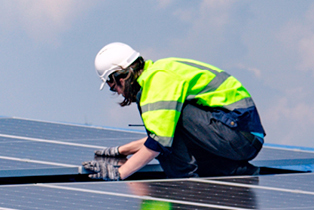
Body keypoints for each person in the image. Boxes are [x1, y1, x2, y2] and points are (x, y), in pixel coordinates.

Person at [83, 42, 265, 180]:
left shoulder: (157, 82)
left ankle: (185, 184)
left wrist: (120, 173)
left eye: (112, 86)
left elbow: (159, 141)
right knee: (170, 125)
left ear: (121, 76)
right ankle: (235, 171)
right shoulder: (158, 73)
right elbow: (165, 132)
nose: (117, 92)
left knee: (166, 138)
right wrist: (122, 150)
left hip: (239, 134)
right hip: (240, 134)